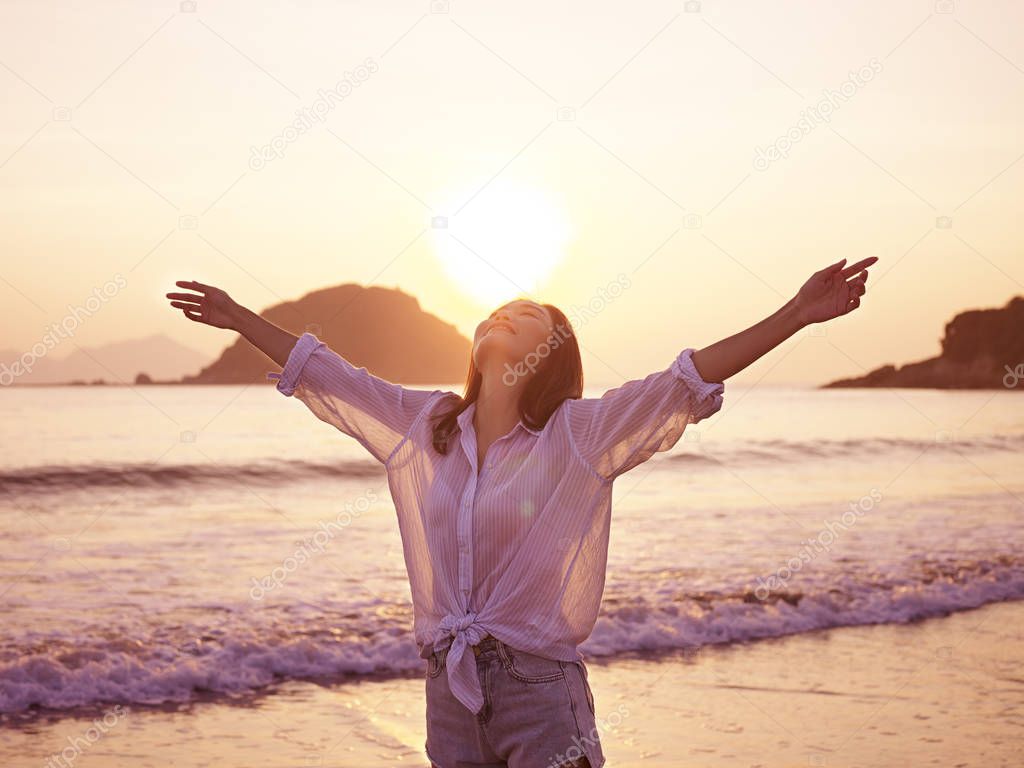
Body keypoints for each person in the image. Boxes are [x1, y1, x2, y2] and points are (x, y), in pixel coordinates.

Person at [165, 255, 875, 767]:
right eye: (500, 311)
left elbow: (686, 379)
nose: (506, 316)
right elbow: (329, 374)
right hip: (448, 689)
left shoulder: (580, 435)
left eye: (529, 317)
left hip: (540, 691)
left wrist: (796, 315)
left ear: (549, 355)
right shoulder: (426, 425)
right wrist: (236, 318)